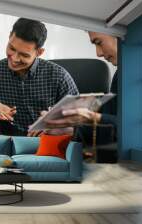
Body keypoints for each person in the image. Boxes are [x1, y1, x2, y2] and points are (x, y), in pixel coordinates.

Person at [0, 18, 79, 136]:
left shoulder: (59, 77)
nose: (14, 59)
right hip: (5, 143)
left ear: (39, 52)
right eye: (12, 49)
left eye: (24, 55)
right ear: (9, 37)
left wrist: (53, 128)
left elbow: (79, 124)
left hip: (46, 144)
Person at [40, 31, 118, 160]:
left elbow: (132, 130)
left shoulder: (137, 74)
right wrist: (68, 129)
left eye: (99, 43)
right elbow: (110, 130)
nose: (98, 53)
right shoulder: (119, 75)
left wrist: (91, 117)